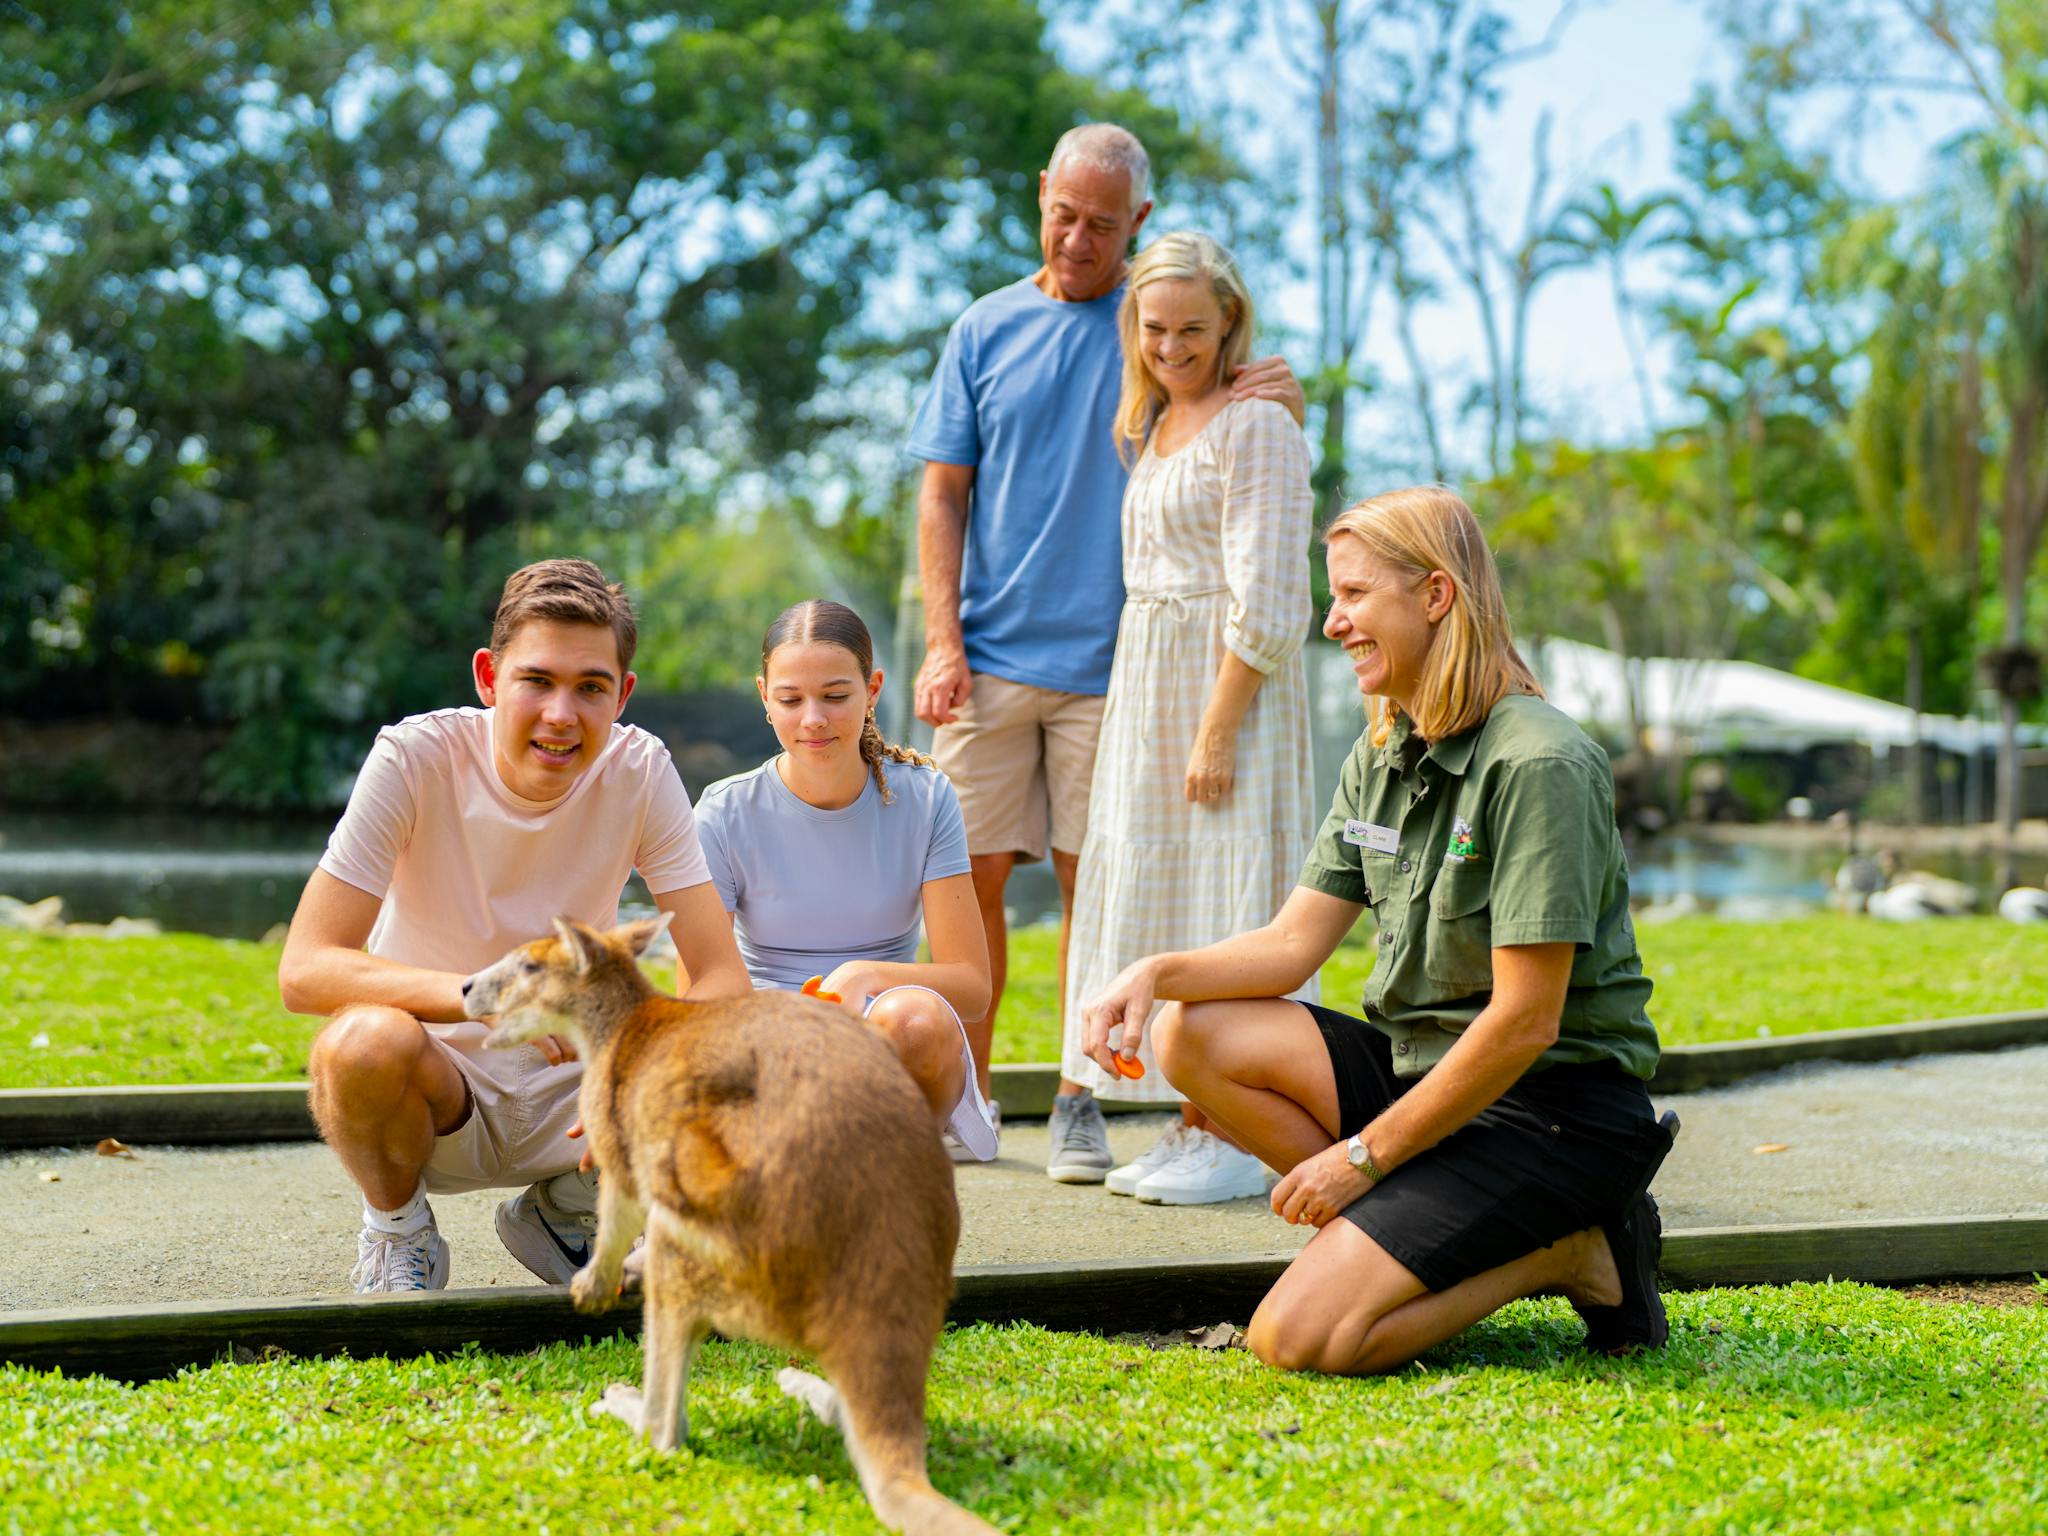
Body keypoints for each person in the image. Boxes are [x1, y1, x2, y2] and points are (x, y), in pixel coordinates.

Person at [1082, 486, 1677, 1372]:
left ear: (1436, 596)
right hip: (1424, 1080)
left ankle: (1571, 1249)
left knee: (1299, 1339)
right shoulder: (1382, 753)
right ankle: (1416, 1224)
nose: (1333, 624)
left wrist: (1359, 1161)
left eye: (1354, 596)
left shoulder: (1539, 762)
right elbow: (1291, 947)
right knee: (1193, 1031)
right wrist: (1153, 973)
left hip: (1552, 1113)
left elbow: (1525, 1022)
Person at [907, 121, 1303, 1178]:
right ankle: (968, 1100)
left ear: (1140, 220)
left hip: (1121, 674)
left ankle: (1081, 1098)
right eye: (1062, 213)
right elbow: (941, 490)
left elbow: (1247, 474)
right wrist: (942, 641)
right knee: (967, 877)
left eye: (1101, 221)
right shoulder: (983, 328)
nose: (1076, 236)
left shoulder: (1165, 324)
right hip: (989, 657)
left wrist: (1286, 402)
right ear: (1040, 195)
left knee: (1107, 885)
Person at [279, 559, 754, 1293]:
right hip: (435, 1091)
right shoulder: (414, 757)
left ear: (621, 695)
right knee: (361, 1042)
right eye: (538, 680)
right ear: (489, 677)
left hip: (576, 1088)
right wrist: (491, 994)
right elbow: (306, 968)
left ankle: (567, 1211)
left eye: (590, 687)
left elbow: (721, 973)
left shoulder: (642, 770)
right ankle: (400, 1231)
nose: (562, 714)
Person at [1058, 232, 1318, 1204]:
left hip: (1221, 691)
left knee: (1228, 888)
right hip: (1149, 684)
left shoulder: (1255, 425)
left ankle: (1237, 1126)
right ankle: (1188, 1117)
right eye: (1154, 328)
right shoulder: (1156, 426)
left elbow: (1270, 597)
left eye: (1193, 330)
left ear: (1229, 325)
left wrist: (1215, 726)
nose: (1172, 346)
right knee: (1158, 891)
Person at [695, 599, 999, 1162]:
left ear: (873, 689)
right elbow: (705, 983)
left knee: (915, 1018)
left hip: (883, 1025)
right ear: (765, 696)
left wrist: (862, 975)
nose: (813, 718)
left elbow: (972, 988)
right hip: (768, 1029)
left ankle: (898, 1181)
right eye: (791, 699)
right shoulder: (723, 812)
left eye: (835, 696)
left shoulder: (927, 799)